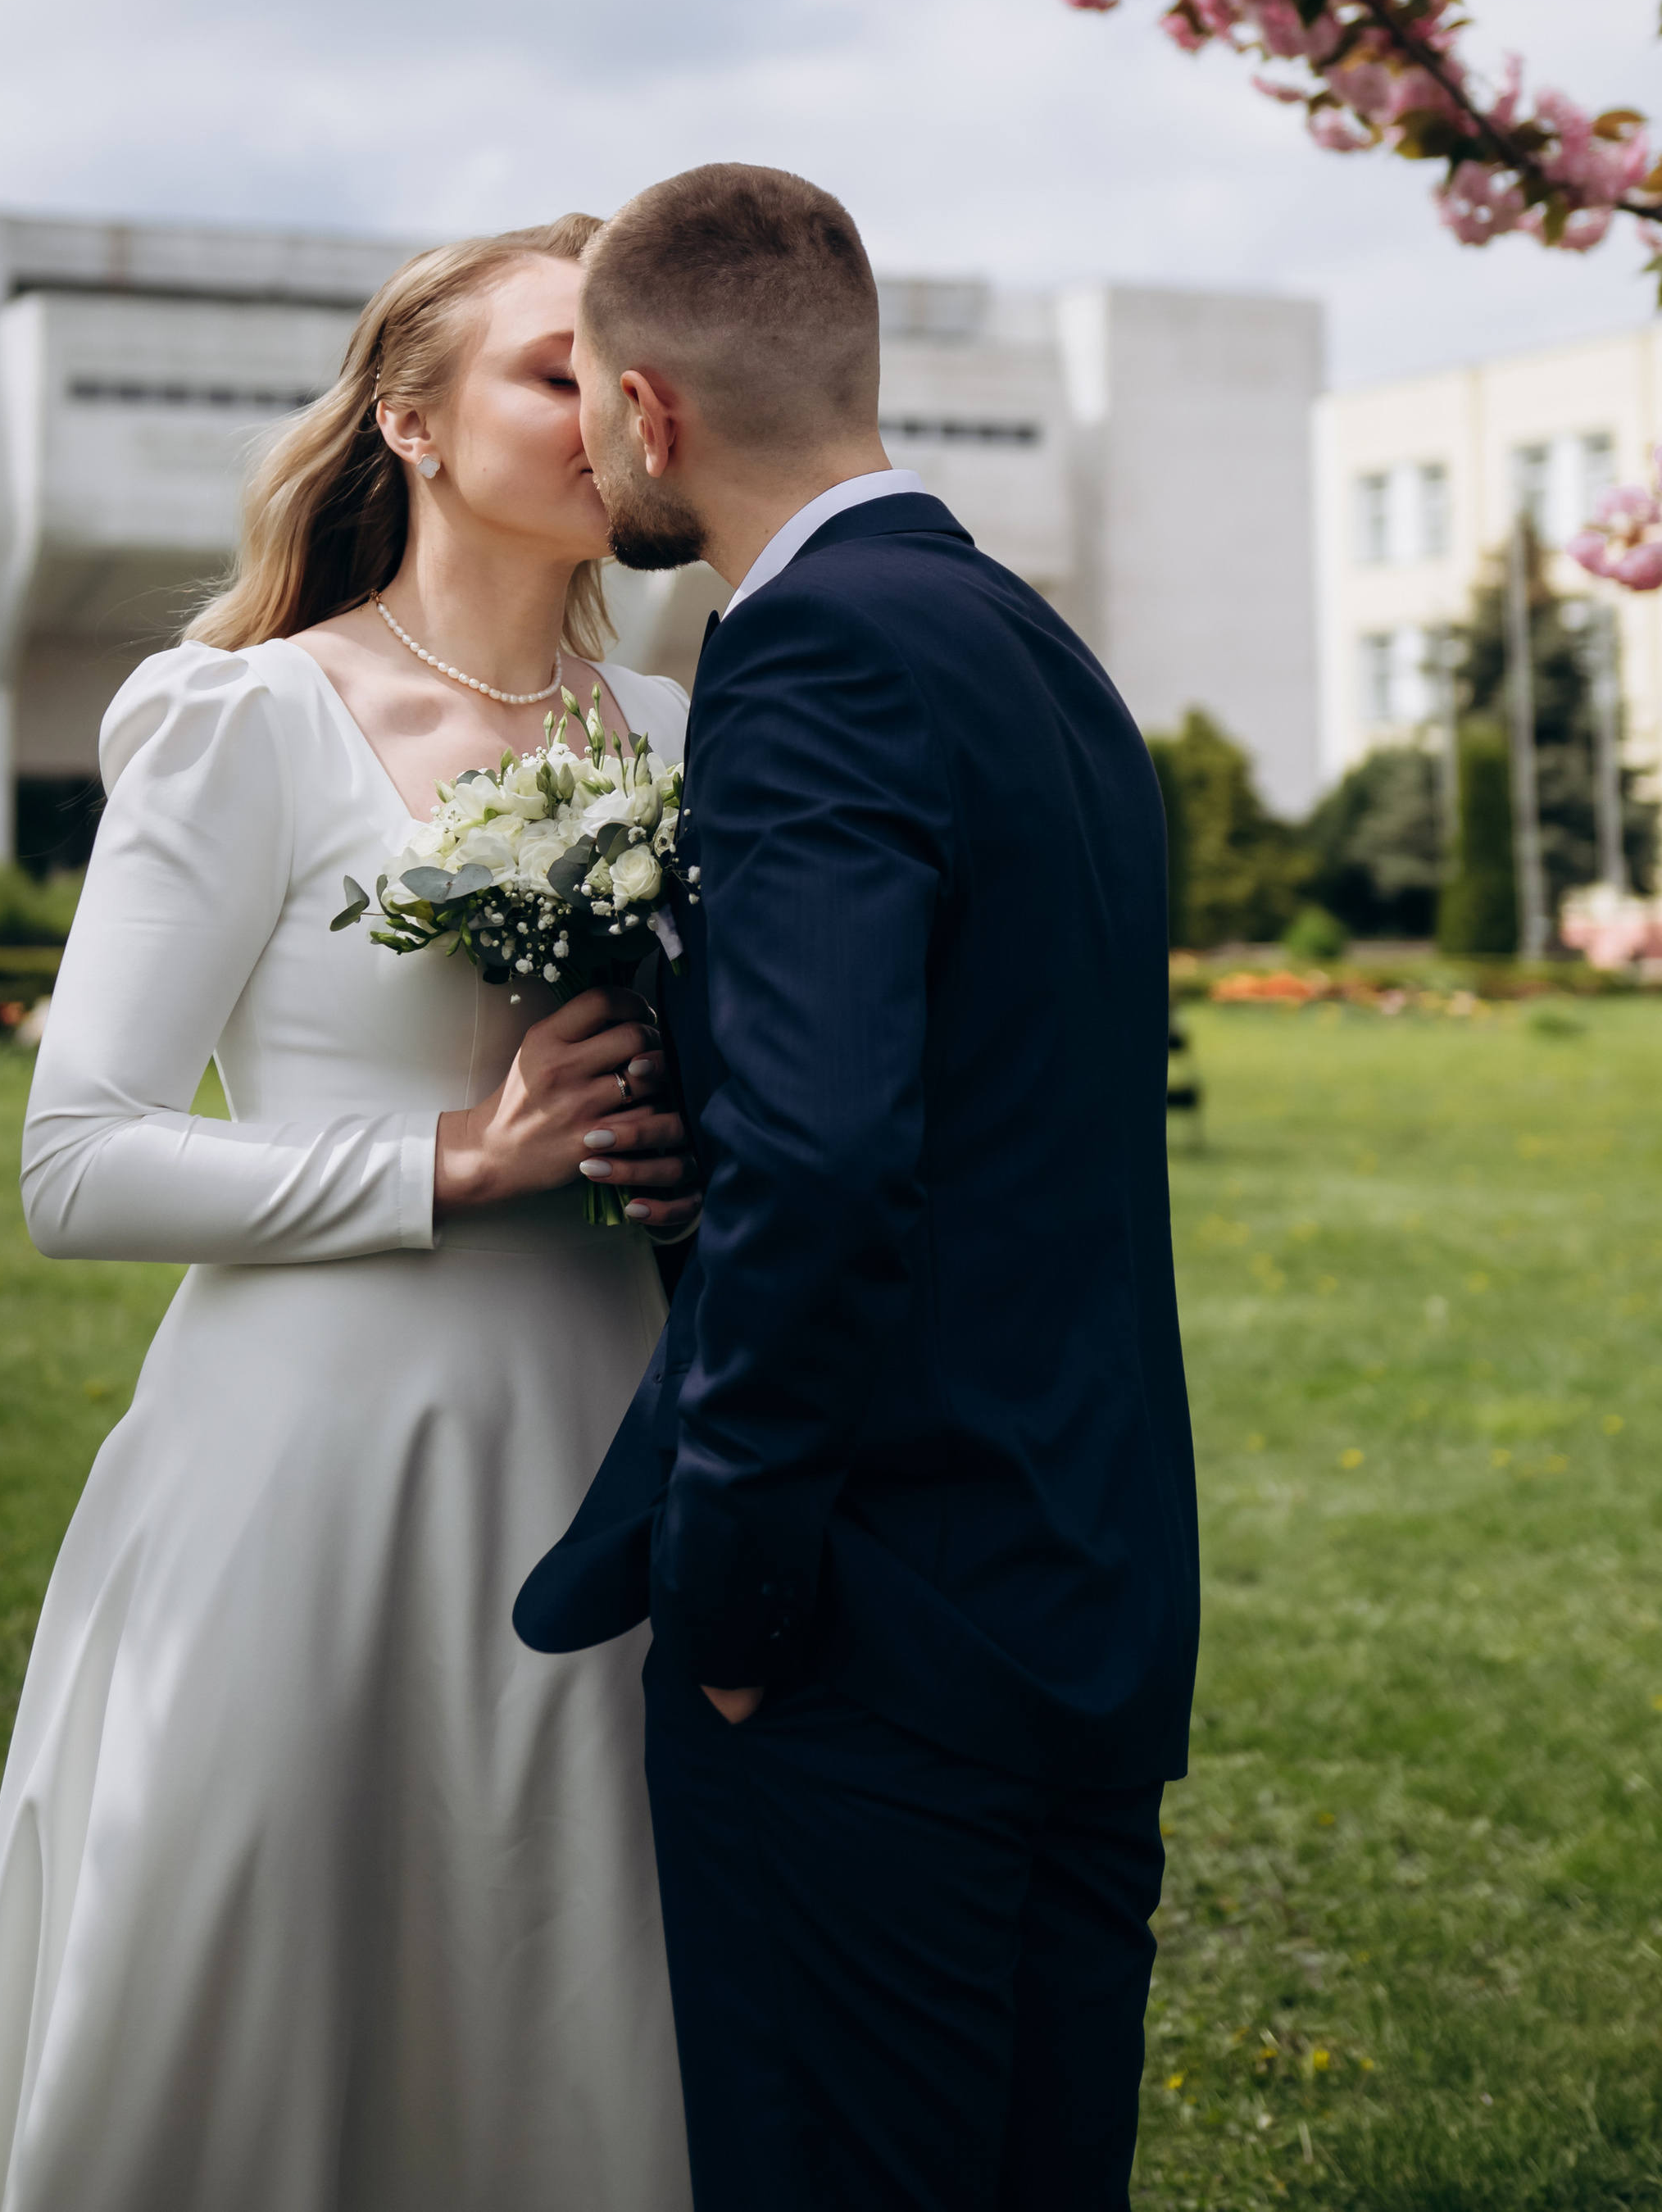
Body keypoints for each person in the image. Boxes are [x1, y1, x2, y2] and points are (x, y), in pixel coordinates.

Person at [0, 217, 697, 2212]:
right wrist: (460, 1158)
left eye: (628, 373)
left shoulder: (696, 742)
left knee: (565, 1973)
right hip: (309, 1469)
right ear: (411, 419)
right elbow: (77, 1159)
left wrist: (682, 1159)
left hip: (609, 1446)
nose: (609, 412)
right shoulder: (244, 718)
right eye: (552, 369)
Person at [515, 163, 1200, 2212]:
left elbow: (819, 1168)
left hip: (873, 1637)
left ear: (648, 415)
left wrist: (731, 1604)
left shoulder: (802, 651)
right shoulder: (1029, 643)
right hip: (1081, 1588)